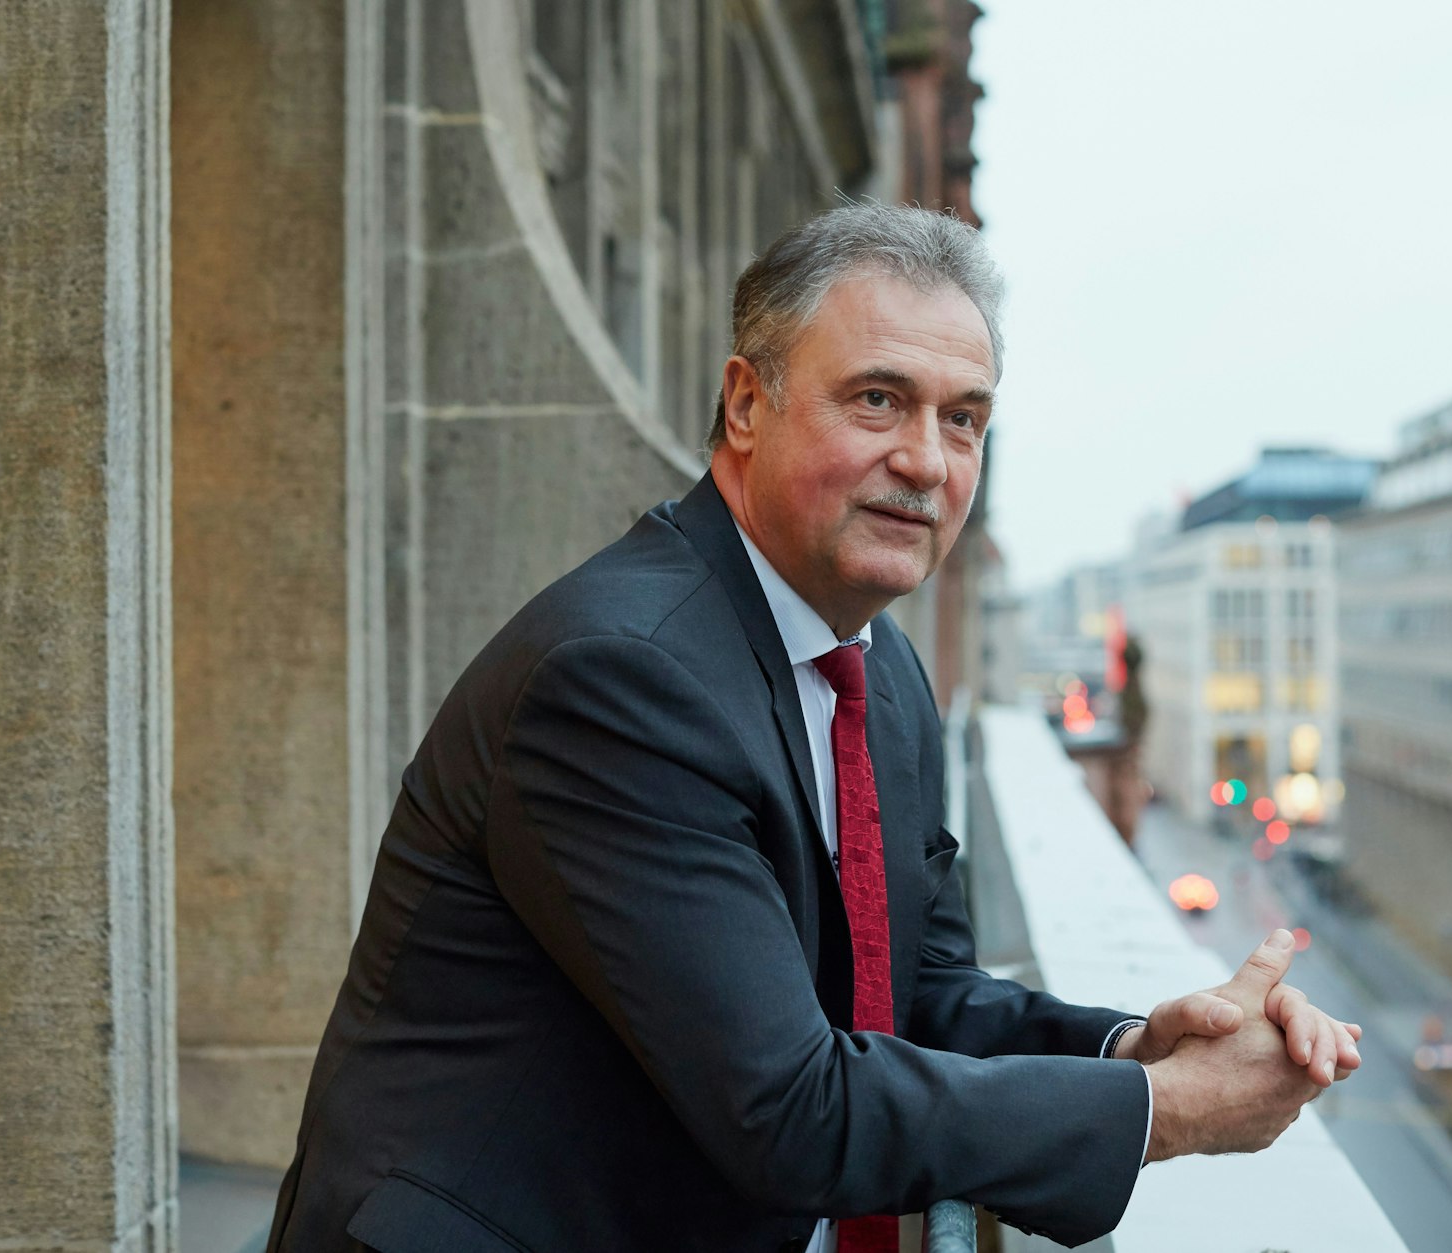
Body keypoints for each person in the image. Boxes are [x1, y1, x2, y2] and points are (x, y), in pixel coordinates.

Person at [267, 203, 1361, 1253]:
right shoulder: (619, 679)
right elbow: (783, 1108)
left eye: (962, 417)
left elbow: (915, 996)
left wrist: (1133, 1043)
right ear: (745, 405)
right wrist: (1156, 1112)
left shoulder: (878, 667)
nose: (927, 460)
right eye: (878, 399)